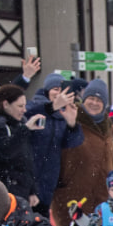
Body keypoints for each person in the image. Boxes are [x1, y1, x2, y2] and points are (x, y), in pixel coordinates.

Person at [52, 79, 113, 226]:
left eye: (99, 100)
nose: (94, 103)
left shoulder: (111, 129)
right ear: (84, 99)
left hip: (104, 200)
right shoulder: (70, 121)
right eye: (91, 98)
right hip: (71, 199)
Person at [25, 74, 83, 210]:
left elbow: (72, 144)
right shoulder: (33, 106)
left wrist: (72, 124)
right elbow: (25, 119)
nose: (59, 94)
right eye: (55, 89)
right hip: (29, 178)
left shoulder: (63, 114)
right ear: (47, 91)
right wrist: (51, 107)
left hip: (49, 181)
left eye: (62, 90)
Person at [0, 85, 44, 207]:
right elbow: (5, 151)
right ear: (6, 104)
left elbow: (26, 160)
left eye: (24, 106)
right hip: (0, 189)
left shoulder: (19, 125)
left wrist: (32, 190)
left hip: (19, 189)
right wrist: (25, 130)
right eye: (20, 106)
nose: (24, 110)